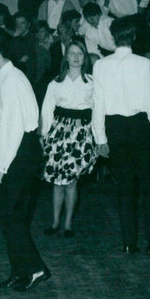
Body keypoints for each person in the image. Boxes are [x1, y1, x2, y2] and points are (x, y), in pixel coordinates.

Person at [0, 32, 50, 291]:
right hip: (24, 150)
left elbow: (13, 127)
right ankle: (20, 271)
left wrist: (1, 164)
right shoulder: (10, 77)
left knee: (9, 215)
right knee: (12, 215)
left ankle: (34, 268)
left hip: (21, 152)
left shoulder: (11, 81)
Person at [92, 17, 150, 255]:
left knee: (125, 188)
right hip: (140, 127)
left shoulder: (101, 65)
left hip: (115, 128)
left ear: (113, 37)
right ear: (134, 37)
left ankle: (128, 243)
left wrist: (100, 138)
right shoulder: (144, 64)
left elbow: (97, 105)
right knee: (149, 187)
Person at [40, 38, 98, 238]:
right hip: (58, 134)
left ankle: (68, 223)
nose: (75, 57)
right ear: (66, 56)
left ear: (85, 58)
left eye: (79, 54)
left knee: (71, 181)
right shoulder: (55, 82)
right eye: (72, 53)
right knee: (57, 181)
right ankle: (55, 221)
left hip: (81, 136)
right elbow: (47, 110)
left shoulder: (92, 83)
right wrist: (44, 134)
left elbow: (99, 111)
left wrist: (99, 138)